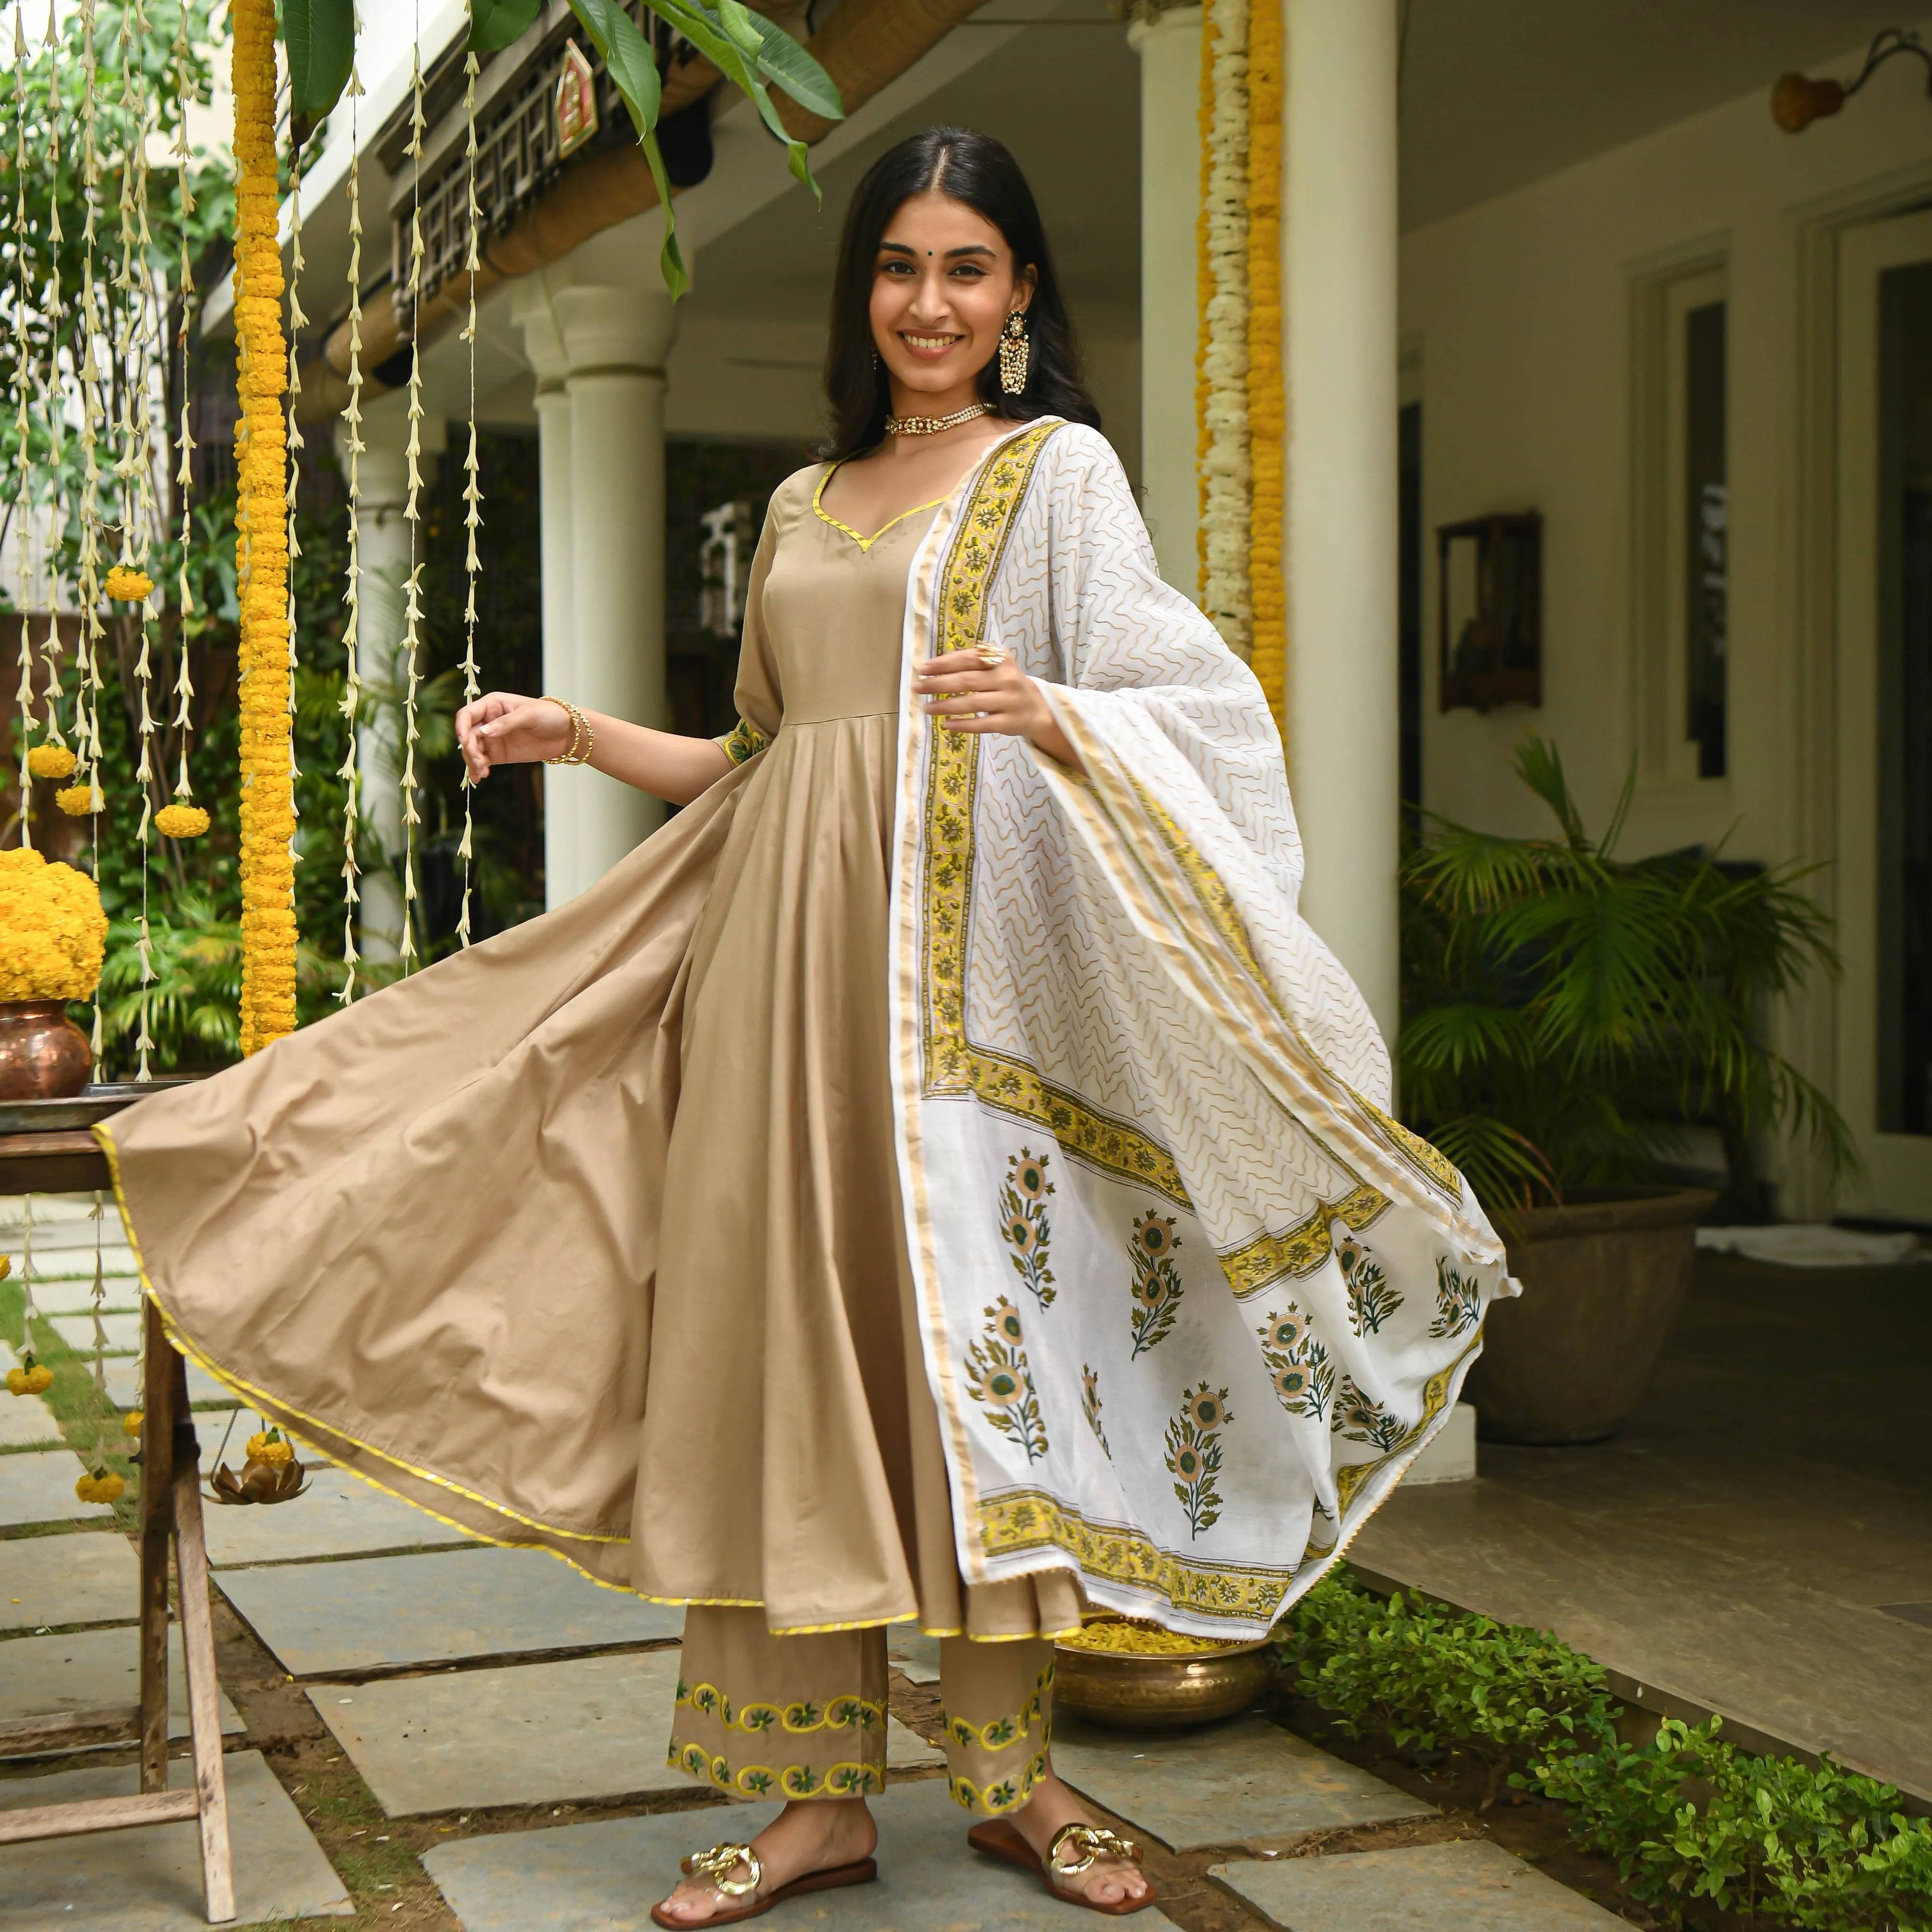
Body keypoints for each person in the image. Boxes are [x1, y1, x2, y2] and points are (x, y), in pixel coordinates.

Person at [100, 128, 1513, 1927]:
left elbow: (1200, 708)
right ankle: (814, 1807)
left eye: (969, 269)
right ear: (870, 289)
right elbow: (769, 760)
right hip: (778, 984)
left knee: (984, 1372)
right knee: (785, 1365)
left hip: (963, 1002)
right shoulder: (801, 501)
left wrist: (1063, 713)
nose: (932, 302)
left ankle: (1017, 1782)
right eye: (903, 265)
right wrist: (582, 737)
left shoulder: (1057, 475)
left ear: (1017, 299)